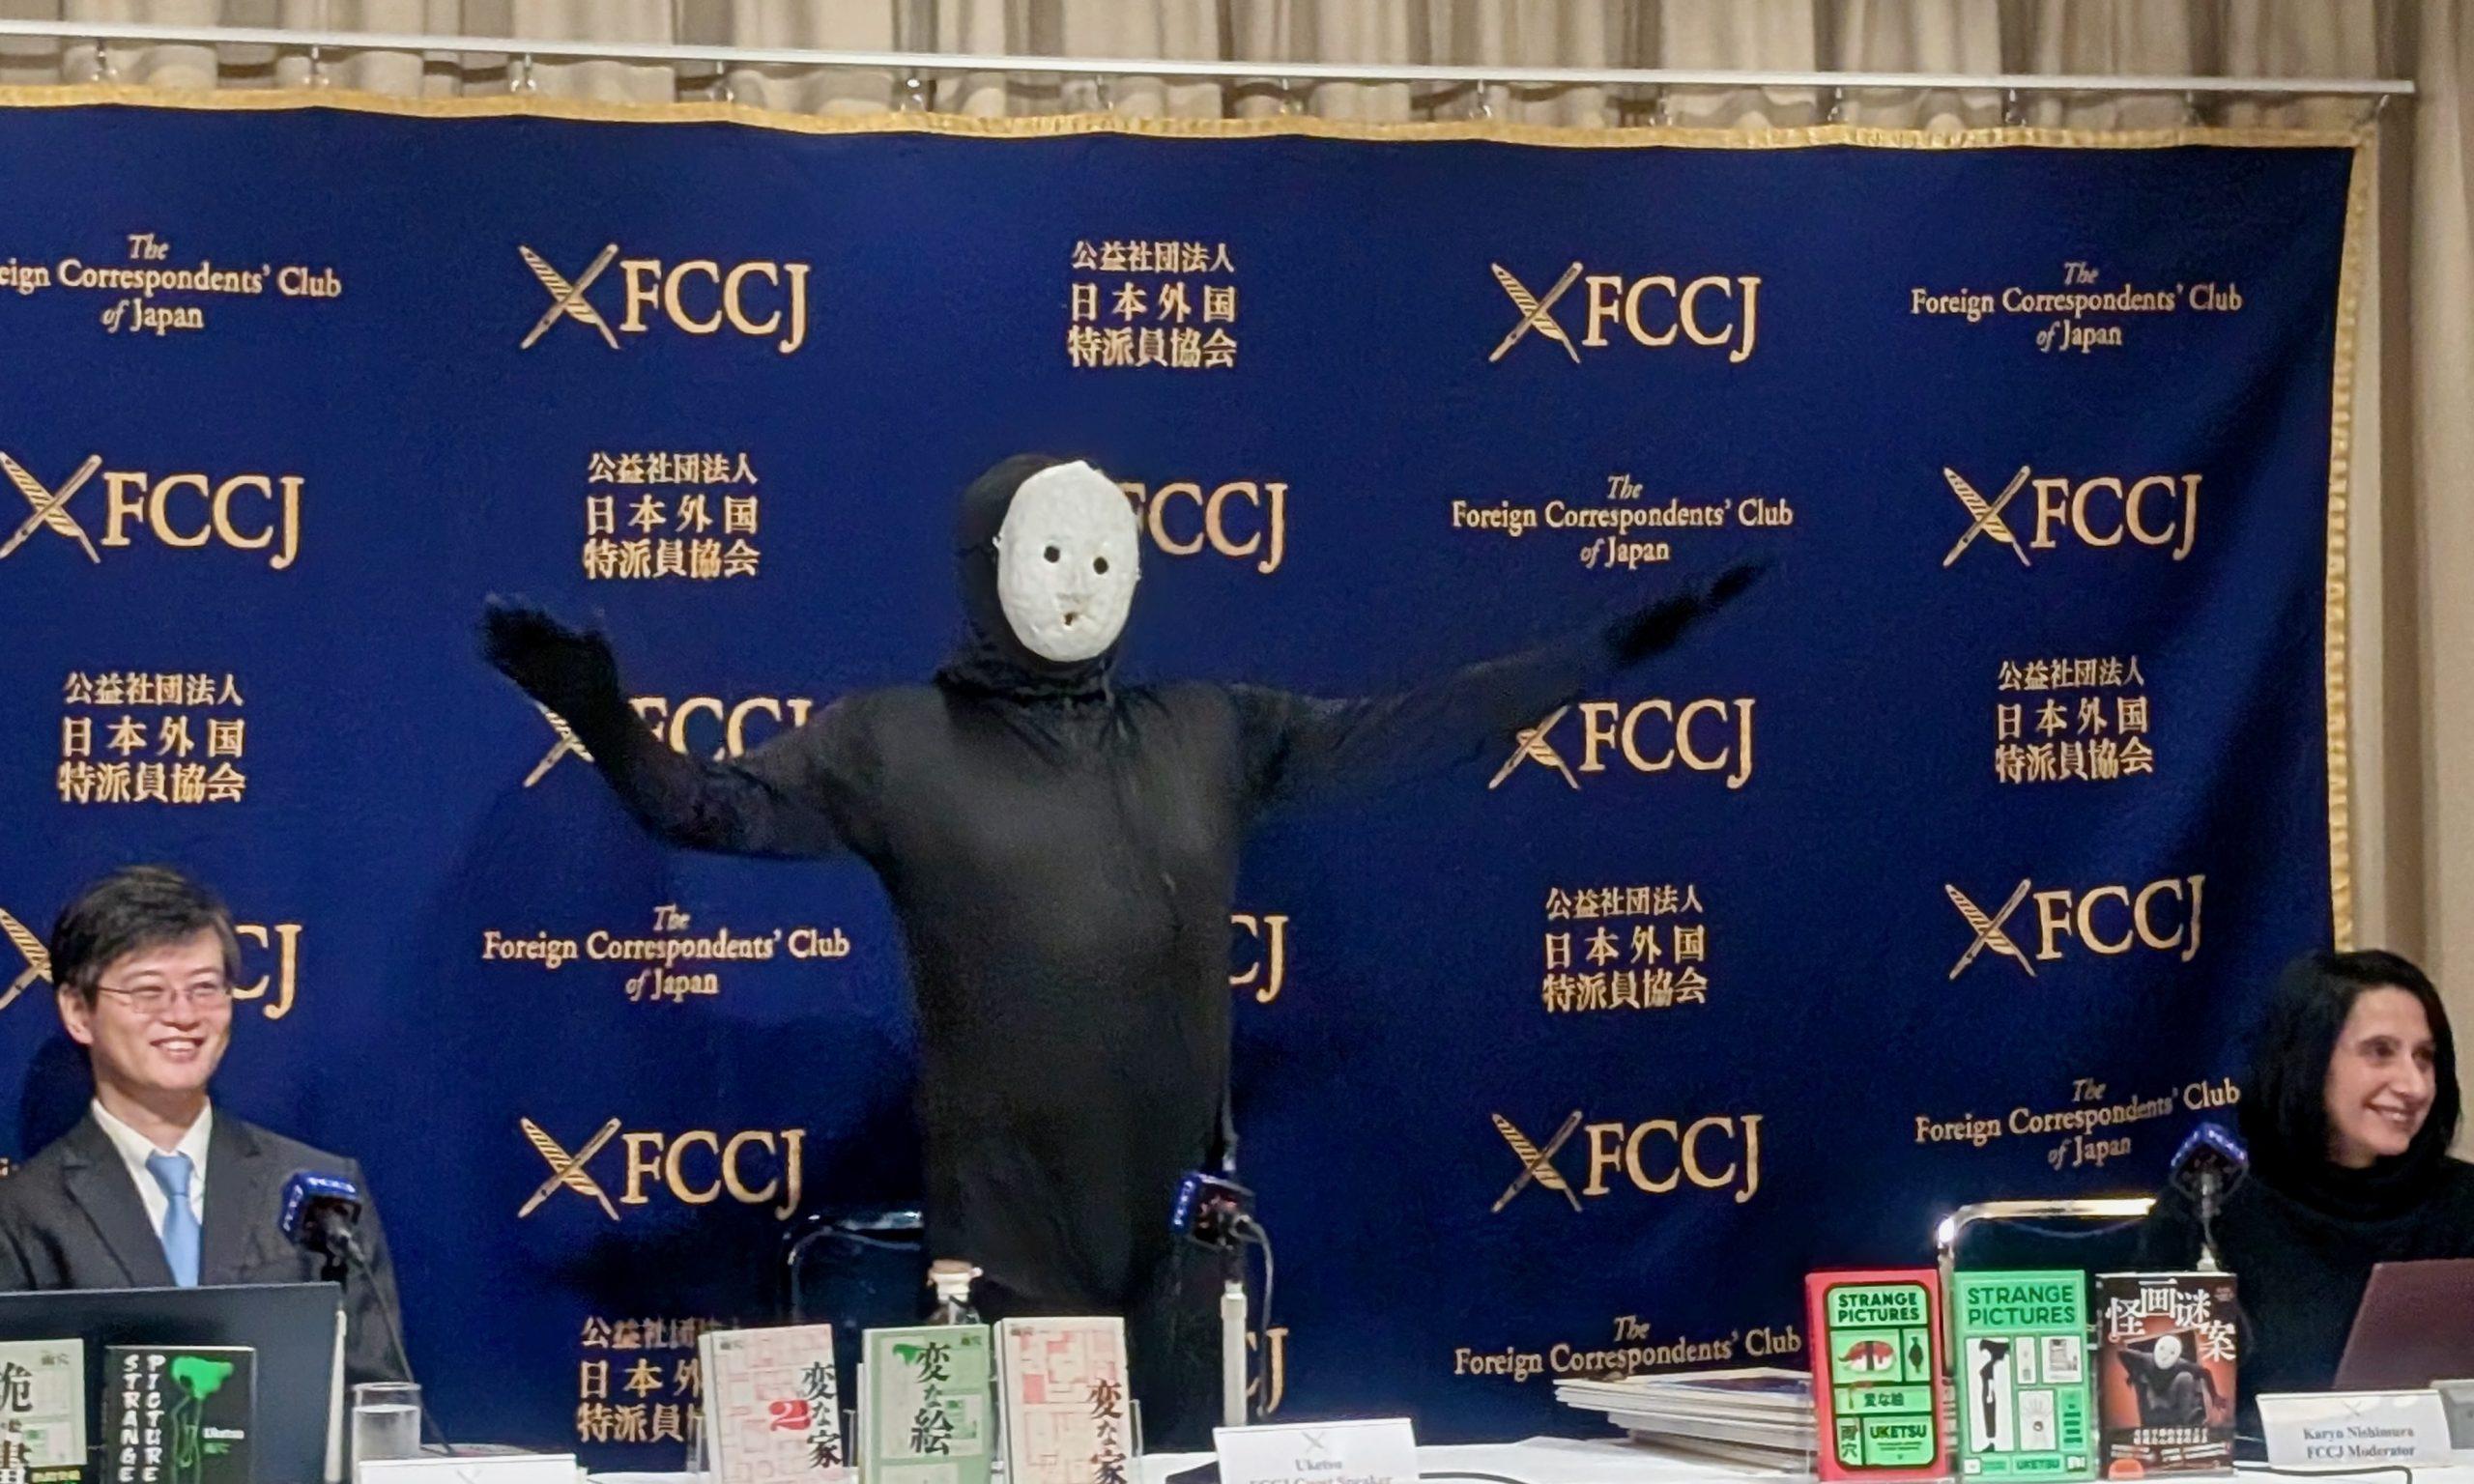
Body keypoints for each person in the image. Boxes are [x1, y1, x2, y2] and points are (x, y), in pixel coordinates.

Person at [481, 452, 1757, 1441]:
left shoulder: (1211, 732)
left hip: (1182, 1263)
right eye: (1052, 552)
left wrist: (1604, 652)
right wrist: (602, 716)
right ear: (987, 566)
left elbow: (1422, 727)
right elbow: (705, 810)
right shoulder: (894, 745)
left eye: (1106, 555)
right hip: (1004, 1259)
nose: (1081, 583)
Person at [0, 866, 411, 1385]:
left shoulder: (319, 1192)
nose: (183, 1015)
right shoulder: (26, 1212)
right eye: (148, 991)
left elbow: (377, 1396)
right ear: (79, 1012)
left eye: (205, 988)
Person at [2140, 948, 2474, 1413]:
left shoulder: (2463, 1204)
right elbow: (2155, 1410)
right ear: (2308, 1058)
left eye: (2425, 1057)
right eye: (2380, 1052)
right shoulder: (2210, 1207)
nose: (2414, 1086)